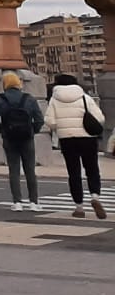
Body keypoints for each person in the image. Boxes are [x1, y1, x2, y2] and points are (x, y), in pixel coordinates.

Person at [45, 72, 108, 219]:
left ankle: (79, 207)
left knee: (74, 173)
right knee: (92, 169)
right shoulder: (85, 97)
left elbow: (50, 121)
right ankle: (95, 196)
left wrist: (61, 127)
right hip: (87, 138)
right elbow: (100, 117)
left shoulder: (54, 100)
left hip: (67, 140)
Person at [0, 70, 45, 211]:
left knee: (14, 170)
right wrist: (32, 131)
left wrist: (2, 130)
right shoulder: (29, 99)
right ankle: (34, 202)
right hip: (27, 138)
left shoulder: (0, 99)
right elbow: (39, 119)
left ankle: (17, 202)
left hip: (9, 138)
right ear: (18, 83)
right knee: (30, 170)